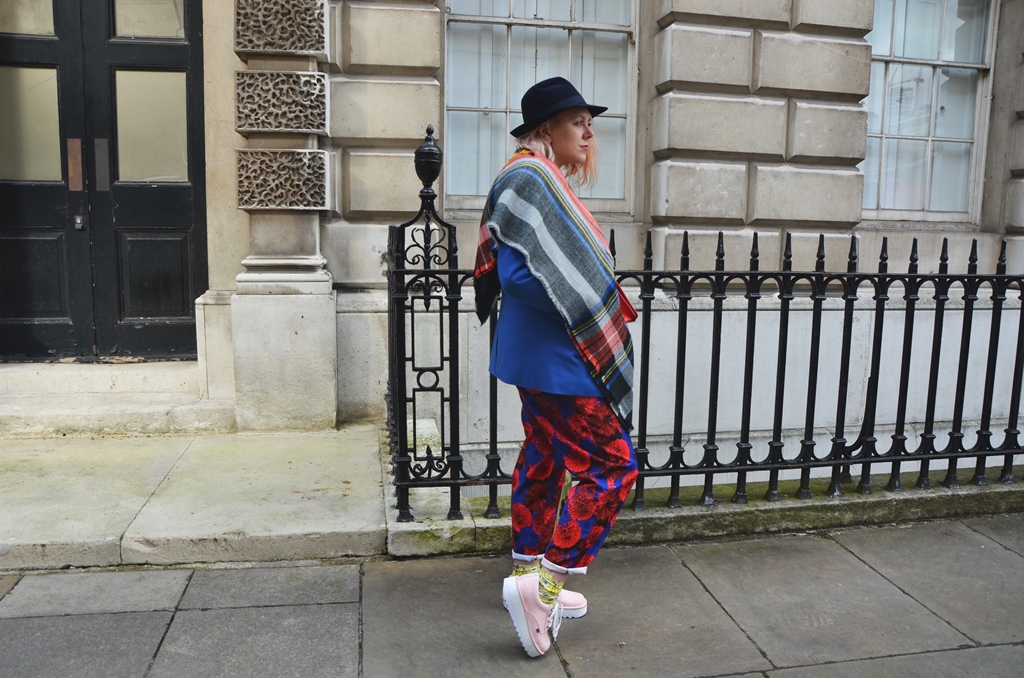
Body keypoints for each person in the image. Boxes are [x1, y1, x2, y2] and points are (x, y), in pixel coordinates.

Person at [473, 76, 639, 658]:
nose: (588, 133)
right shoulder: (531, 177)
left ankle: (527, 570)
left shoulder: (539, 176)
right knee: (613, 468)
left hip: (541, 357)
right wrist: (589, 299)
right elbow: (519, 277)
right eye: (577, 122)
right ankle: (543, 588)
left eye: (590, 123)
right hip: (557, 360)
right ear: (547, 128)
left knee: (544, 458)